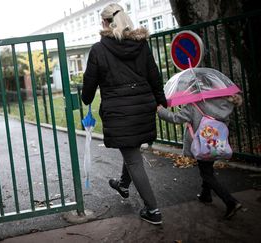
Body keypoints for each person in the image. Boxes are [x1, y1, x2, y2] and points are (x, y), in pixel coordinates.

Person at [82, 3, 167, 225]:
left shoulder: (99, 50)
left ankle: (153, 210)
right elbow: (154, 76)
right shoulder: (141, 45)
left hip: (119, 112)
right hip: (143, 107)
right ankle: (123, 184)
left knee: (133, 158)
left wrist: (86, 99)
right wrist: (161, 102)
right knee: (132, 150)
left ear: (105, 23)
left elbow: (88, 88)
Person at [157, 95, 243, 219]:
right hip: (217, 142)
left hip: (203, 144)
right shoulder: (223, 102)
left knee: (206, 174)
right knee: (207, 169)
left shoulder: (195, 103)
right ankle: (205, 195)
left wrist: (161, 111)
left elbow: (176, 118)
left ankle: (231, 202)